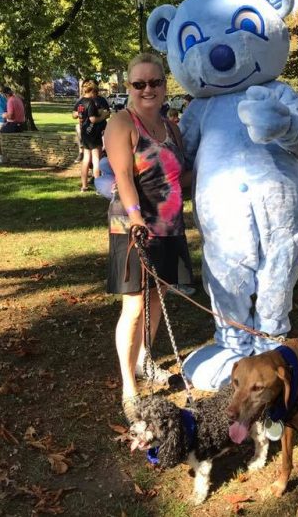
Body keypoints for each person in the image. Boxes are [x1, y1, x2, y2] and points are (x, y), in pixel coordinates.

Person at [104, 53, 192, 420]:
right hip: (134, 227)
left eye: (154, 82)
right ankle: (129, 386)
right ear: (129, 88)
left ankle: (145, 359)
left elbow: (183, 175)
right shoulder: (122, 123)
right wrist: (138, 217)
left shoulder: (171, 127)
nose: (148, 89)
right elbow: (124, 177)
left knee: (158, 297)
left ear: (164, 84)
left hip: (170, 226)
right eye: (139, 84)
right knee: (135, 305)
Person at [73, 80, 110, 191]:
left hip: (84, 133)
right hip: (93, 133)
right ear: (93, 91)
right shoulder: (91, 103)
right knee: (96, 160)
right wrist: (102, 117)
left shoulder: (80, 102)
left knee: (85, 160)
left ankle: (84, 186)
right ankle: (99, 187)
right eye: (96, 92)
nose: (96, 95)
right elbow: (93, 119)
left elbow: (75, 114)